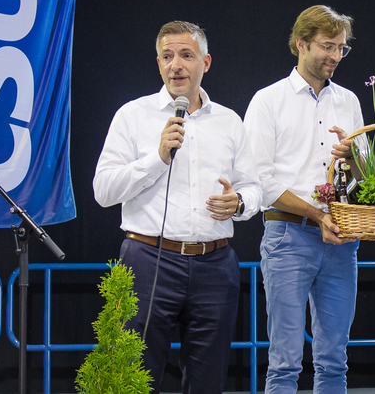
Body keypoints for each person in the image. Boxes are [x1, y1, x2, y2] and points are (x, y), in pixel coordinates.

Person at [93, 21, 262, 394]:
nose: (176, 65)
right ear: (158, 64)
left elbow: (254, 187)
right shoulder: (133, 116)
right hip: (148, 260)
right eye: (167, 57)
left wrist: (240, 202)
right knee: (131, 377)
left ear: (206, 62)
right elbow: (103, 190)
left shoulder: (229, 122)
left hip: (215, 266)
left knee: (207, 380)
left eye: (186, 55)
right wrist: (157, 158)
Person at [243, 5, 366, 393]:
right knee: (284, 363)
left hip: (341, 239)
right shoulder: (267, 101)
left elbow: (367, 176)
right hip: (287, 237)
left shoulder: (348, 101)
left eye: (341, 49)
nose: (334, 56)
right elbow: (259, 180)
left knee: (334, 362)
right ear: (301, 43)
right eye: (327, 46)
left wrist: (355, 159)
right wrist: (316, 215)